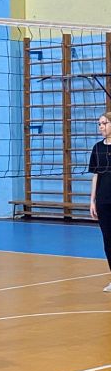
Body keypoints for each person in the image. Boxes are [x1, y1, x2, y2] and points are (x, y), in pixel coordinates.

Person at [89, 112, 111, 293]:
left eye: (104, 123)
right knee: (108, 241)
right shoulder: (97, 148)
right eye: (99, 124)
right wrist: (92, 201)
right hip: (103, 201)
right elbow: (96, 176)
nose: (101, 126)